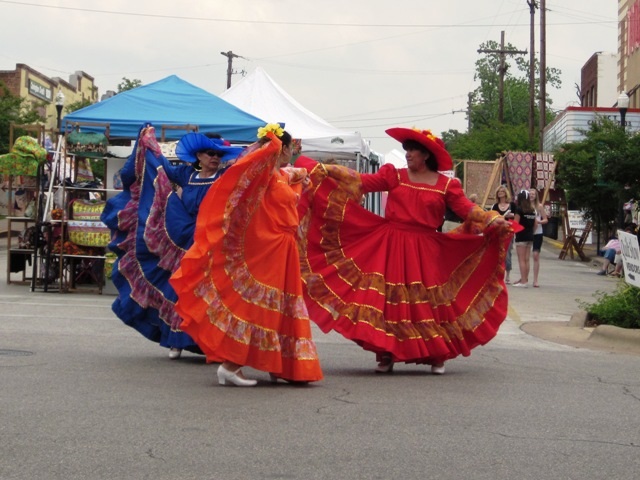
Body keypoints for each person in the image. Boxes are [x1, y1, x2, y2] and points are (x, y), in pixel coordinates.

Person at [295, 127, 513, 375]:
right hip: (391, 246)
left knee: (430, 302)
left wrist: (490, 219)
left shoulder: (446, 185)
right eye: (407, 150)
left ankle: (436, 354)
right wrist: (326, 171)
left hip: (426, 249)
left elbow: (465, 209)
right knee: (388, 302)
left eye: (413, 150)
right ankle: (386, 352)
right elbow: (361, 182)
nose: (407, 154)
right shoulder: (394, 176)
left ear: (426, 156)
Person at [170, 124, 324, 387]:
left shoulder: (280, 174)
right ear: (284, 149)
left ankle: (282, 365)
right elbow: (241, 187)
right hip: (270, 247)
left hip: (284, 246)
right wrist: (272, 146)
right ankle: (231, 365)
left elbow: (295, 175)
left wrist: (302, 175)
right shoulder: (262, 175)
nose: (292, 153)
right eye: (289, 148)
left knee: (280, 305)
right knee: (261, 303)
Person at [101, 125, 242, 359]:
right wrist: (148, 141)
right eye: (210, 153)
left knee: (210, 291)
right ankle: (176, 340)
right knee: (179, 287)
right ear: (199, 155)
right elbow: (160, 166)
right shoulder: (187, 174)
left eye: (219, 154)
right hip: (183, 236)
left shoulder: (225, 177)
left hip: (213, 240)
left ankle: (209, 342)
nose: (215, 158)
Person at [492, 185, 516, 284]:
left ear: (506, 193)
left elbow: (517, 217)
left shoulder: (512, 205)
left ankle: (508, 275)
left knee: (507, 253)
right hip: (498, 231)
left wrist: (512, 216)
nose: (501, 193)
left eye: (502, 191)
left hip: (508, 231)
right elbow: (492, 217)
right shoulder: (495, 206)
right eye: (499, 191)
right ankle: (497, 274)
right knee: (497, 253)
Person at [512, 190, 537, 288]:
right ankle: (525, 278)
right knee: (527, 259)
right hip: (530, 236)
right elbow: (535, 224)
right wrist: (532, 232)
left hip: (521, 236)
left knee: (521, 259)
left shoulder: (519, 209)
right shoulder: (532, 209)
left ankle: (523, 281)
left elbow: (515, 224)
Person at [529, 188, 548, 288]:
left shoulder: (539, 206)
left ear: (536, 196)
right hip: (528, 232)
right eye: (530, 194)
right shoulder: (525, 206)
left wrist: (539, 222)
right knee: (524, 256)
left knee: (535, 255)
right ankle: (524, 277)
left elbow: (545, 219)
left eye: (533, 194)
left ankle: (535, 280)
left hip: (538, 232)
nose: (532, 195)